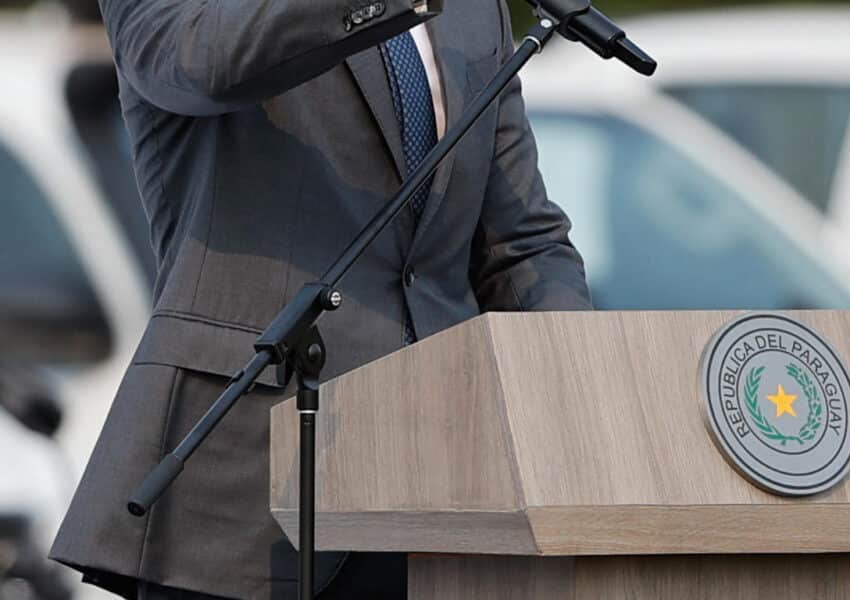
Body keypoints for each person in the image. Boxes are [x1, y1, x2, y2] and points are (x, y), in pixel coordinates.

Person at [49, 1, 592, 598]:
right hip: (244, 485)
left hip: (448, 488)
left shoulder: (473, 11)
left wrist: (581, 406)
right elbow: (204, 66)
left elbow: (520, 244)